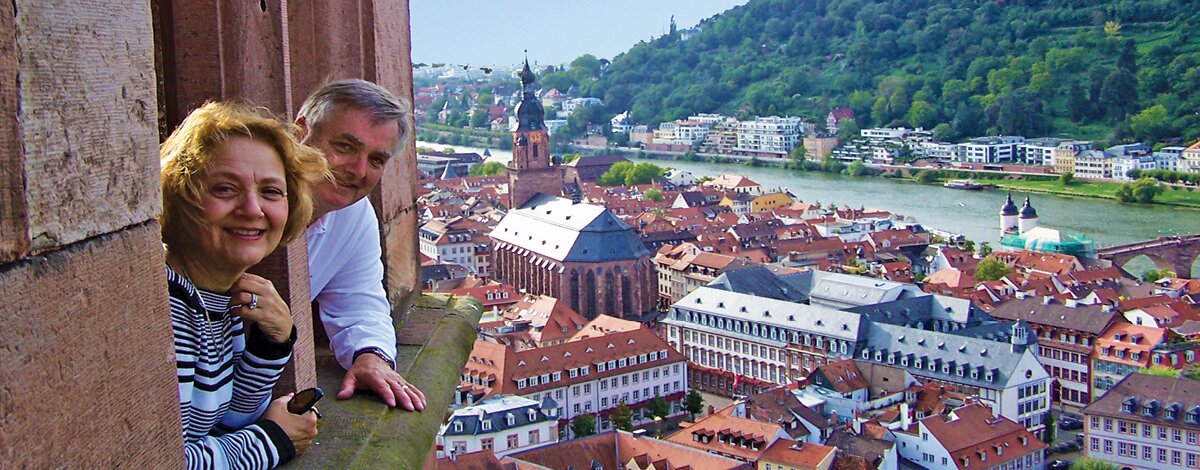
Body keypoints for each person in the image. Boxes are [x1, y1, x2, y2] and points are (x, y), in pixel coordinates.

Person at [160, 101, 329, 469]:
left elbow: (227, 418)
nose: (253, 209)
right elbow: (167, 460)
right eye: (224, 189)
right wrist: (273, 440)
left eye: (271, 192)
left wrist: (272, 345)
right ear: (181, 197)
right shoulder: (164, 313)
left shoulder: (216, 295)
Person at [296, 80, 427, 411]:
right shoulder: (245, 201)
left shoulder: (352, 214)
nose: (357, 170)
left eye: (376, 160)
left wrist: (372, 354)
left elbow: (359, 303)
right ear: (300, 133)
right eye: (344, 147)